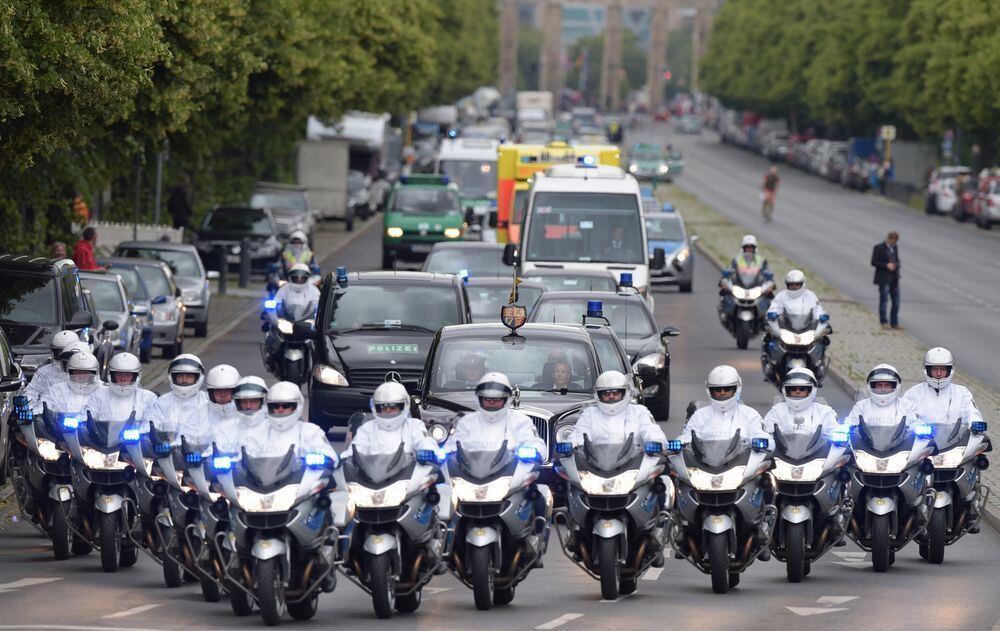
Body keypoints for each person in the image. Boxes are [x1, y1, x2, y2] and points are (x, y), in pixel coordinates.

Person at [678, 365, 771, 447]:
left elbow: (767, 439)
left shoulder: (750, 414)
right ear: (710, 390)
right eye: (717, 389)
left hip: (742, 465)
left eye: (727, 389)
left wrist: (762, 443)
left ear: (736, 389)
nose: (722, 393)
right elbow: (687, 437)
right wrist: (681, 442)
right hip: (705, 465)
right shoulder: (699, 415)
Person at [570, 370, 666, 447]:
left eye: (615, 393)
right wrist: (572, 444)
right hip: (594, 465)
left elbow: (651, 431)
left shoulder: (638, 412)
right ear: (599, 395)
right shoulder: (590, 413)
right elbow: (579, 435)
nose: (611, 396)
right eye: (606, 394)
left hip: (634, 466)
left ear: (624, 393)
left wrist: (657, 441)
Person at [902, 347, 983, 431]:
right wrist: (918, 426)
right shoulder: (914, 392)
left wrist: (975, 423)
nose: (939, 373)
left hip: (955, 441)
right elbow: (905, 415)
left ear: (949, 370)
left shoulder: (962, 392)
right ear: (928, 370)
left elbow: (971, 412)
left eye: (943, 369)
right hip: (922, 441)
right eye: (935, 369)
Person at [348, 382, 436, 456]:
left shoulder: (414, 426)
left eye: (393, 406)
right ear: (375, 407)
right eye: (383, 406)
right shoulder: (367, 428)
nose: (388, 410)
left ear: (404, 405)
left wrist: (428, 451)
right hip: (371, 475)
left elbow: (425, 442)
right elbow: (353, 450)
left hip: (409, 475)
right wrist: (345, 458)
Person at [258, 381, 337, 461]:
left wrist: (318, 459)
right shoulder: (260, 431)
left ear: (296, 406)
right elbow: (248, 453)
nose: (280, 409)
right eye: (275, 406)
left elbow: (330, 456)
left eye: (286, 405)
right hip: (264, 473)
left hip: (301, 473)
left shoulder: (311, 432)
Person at [146, 354, 211, 444]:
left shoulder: (207, 402)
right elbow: (151, 425)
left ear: (198, 378)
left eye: (189, 376)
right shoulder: (162, 401)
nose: (184, 380)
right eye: (180, 376)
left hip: (198, 454)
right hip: (166, 452)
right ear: (173, 377)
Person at [85, 353, 158, 429]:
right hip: (101, 438)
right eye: (119, 375)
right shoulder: (99, 394)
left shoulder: (148, 397)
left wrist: (140, 432)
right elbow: (88, 415)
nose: (123, 379)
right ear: (112, 375)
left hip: (136, 439)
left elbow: (151, 422)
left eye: (127, 375)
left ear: (135, 376)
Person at [763, 367, 838, 438]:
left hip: (817, 451)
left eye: (802, 388)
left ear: (811, 390)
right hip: (782, 451)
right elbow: (766, 433)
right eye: (793, 388)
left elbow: (834, 432)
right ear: (787, 390)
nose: (797, 391)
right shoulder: (776, 411)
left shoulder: (825, 412)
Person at [844, 364, 917, 429]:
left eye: (887, 385)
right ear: (871, 386)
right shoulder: (861, 406)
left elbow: (915, 423)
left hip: (900, 444)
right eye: (879, 385)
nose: (883, 389)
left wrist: (919, 427)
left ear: (896, 386)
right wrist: (844, 428)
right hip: (867, 444)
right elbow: (850, 422)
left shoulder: (906, 406)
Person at [35, 351, 104, 415]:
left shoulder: (103, 391)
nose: (81, 377)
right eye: (77, 373)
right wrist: (37, 412)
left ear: (94, 373)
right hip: (60, 427)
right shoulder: (57, 389)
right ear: (69, 373)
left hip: (95, 427)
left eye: (85, 373)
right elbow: (44, 404)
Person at [215, 376, 270, 456]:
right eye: (244, 401)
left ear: (262, 401)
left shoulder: (272, 428)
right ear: (237, 403)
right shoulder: (225, 427)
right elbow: (216, 450)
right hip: (234, 468)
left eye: (253, 401)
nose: (248, 406)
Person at [24, 330, 80, 407]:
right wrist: (26, 404)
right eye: (59, 353)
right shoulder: (44, 372)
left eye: (66, 354)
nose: (62, 358)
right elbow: (32, 391)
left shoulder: (86, 371)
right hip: (49, 415)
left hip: (82, 414)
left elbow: (97, 392)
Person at [871, 231, 901, 330]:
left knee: (896, 302)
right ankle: (883, 321)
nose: (894, 243)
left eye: (895, 242)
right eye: (893, 241)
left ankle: (894, 322)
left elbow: (897, 260)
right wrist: (886, 265)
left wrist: (896, 265)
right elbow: (874, 262)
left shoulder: (895, 248)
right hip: (883, 278)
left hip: (894, 279)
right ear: (889, 239)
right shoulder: (879, 247)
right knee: (884, 301)